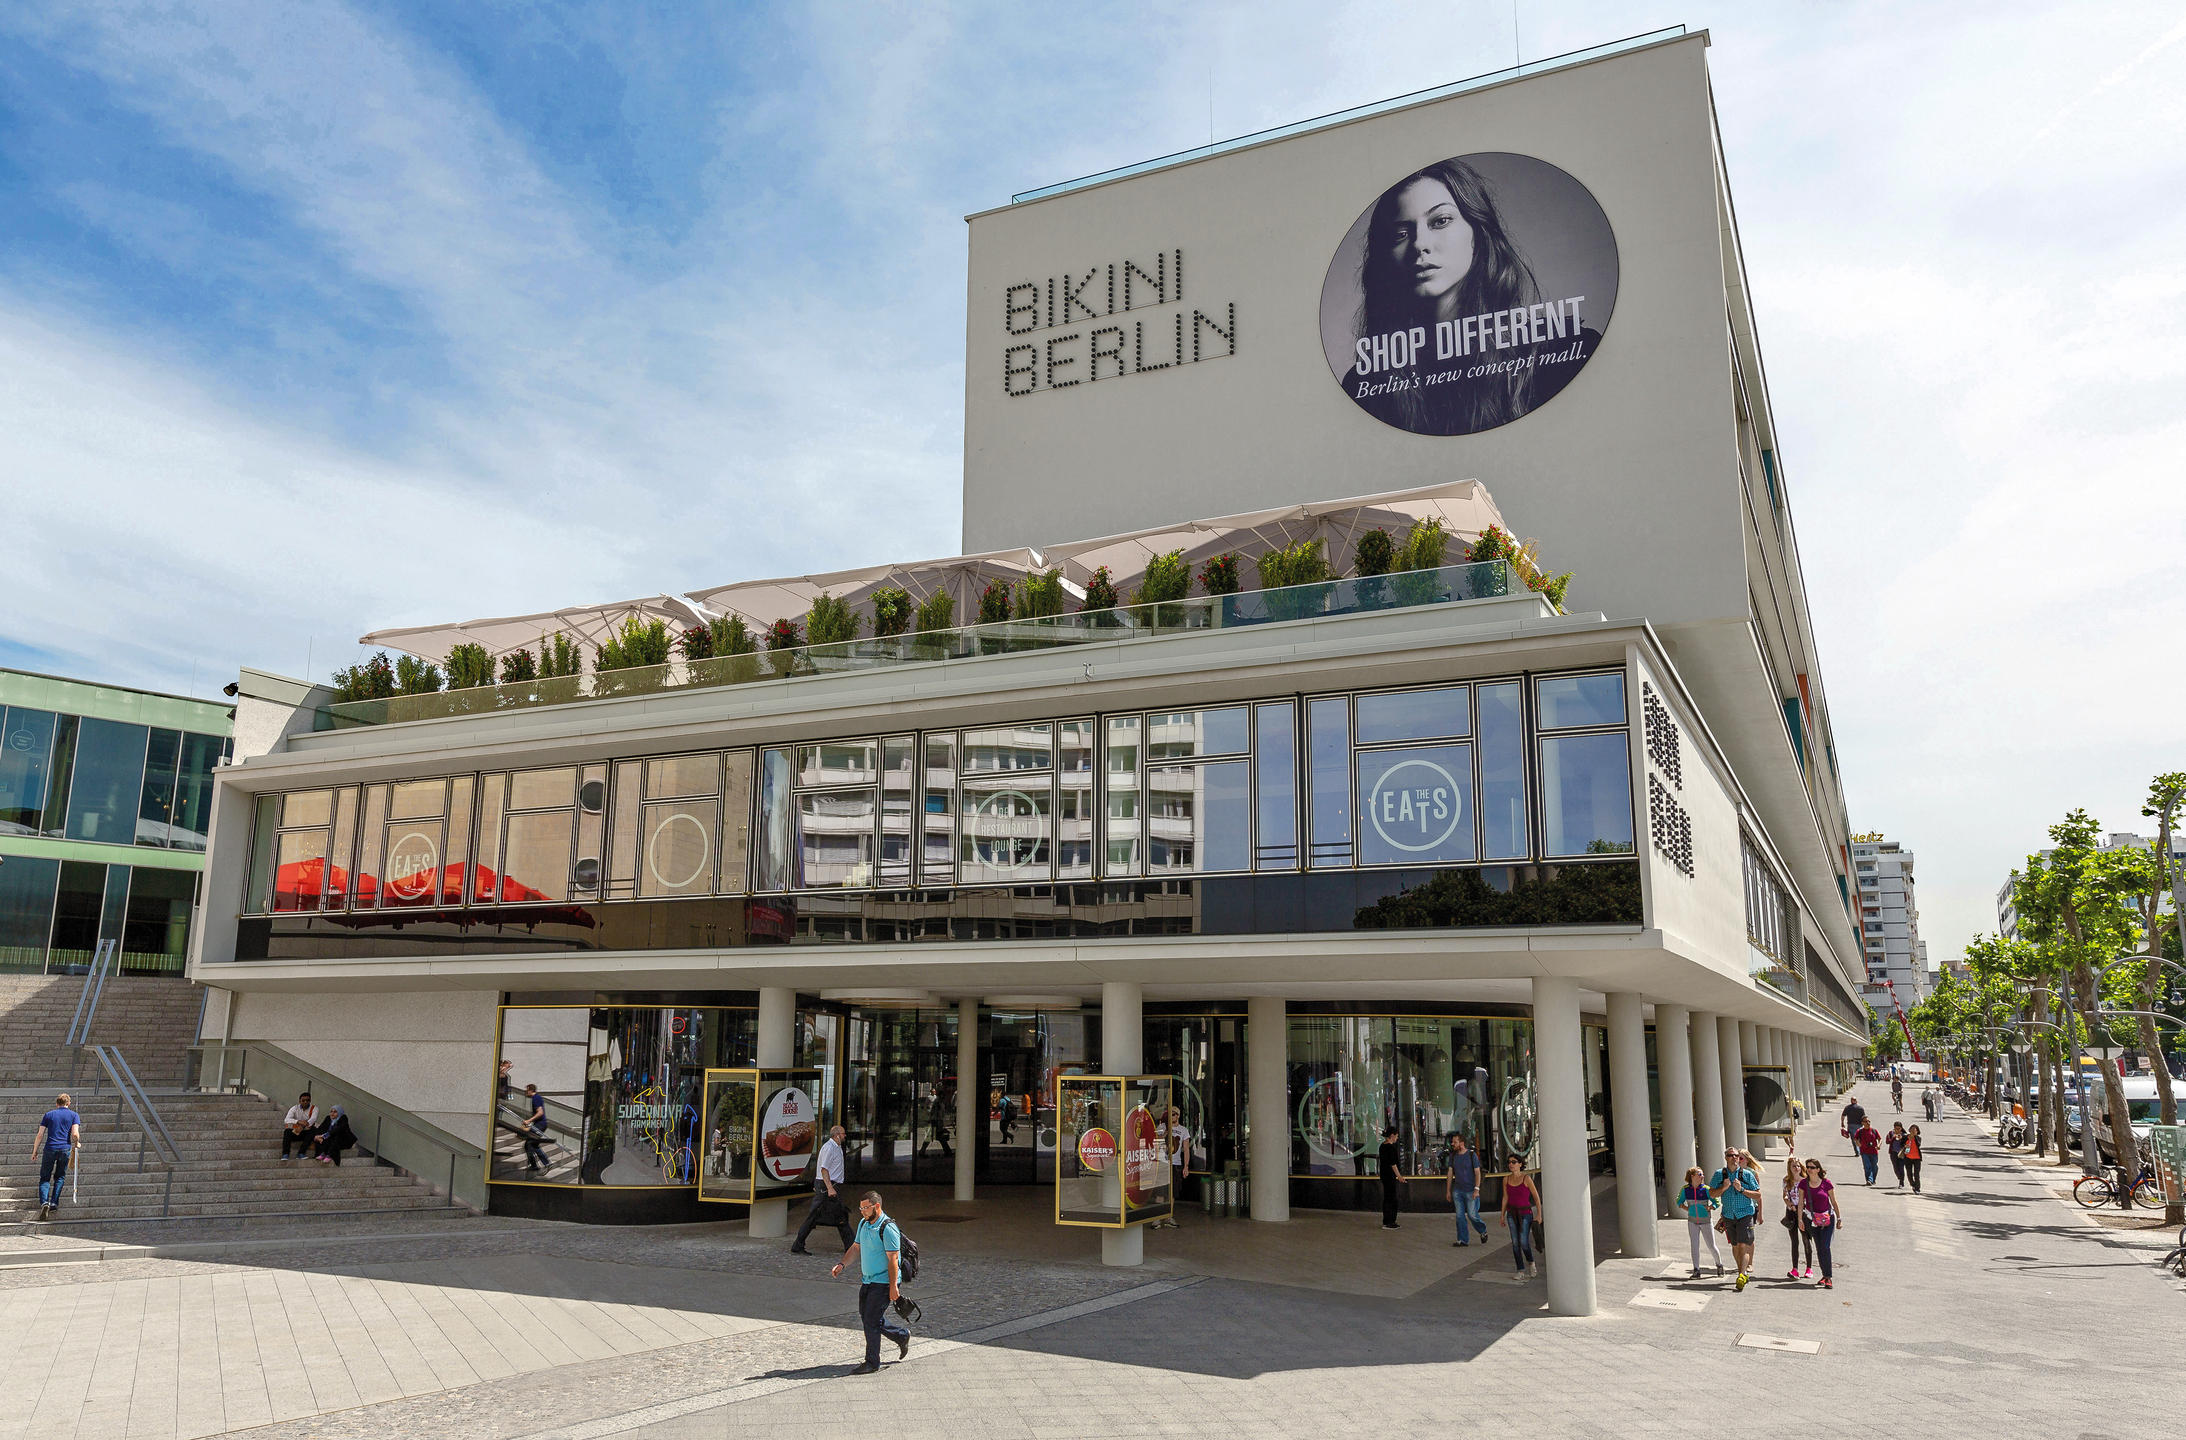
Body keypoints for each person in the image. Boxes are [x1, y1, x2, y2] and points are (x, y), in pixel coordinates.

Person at [1338, 157, 1602, 436]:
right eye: (1400, 234)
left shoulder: (1563, 350)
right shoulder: (1366, 385)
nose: (1420, 245)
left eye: (1440, 221)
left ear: (1478, 232)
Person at [831, 1191, 910, 1374]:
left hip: (883, 1282)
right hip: (868, 1281)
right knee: (868, 1317)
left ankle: (872, 1362)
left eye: (865, 1208)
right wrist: (842, 1264)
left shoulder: (887, 1228)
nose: (862, 1212)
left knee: (871, 1320)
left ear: (877, 1206)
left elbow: (893, 1259)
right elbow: (855, 1247)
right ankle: (901, 1335)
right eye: (861, 1208)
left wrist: (893, 1287)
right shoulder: (864, 1224)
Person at [792, 1124, 855, 1255]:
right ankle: (798, 1245)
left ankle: (851, 1246)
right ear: (837, 1135)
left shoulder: (836, 1147)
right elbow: (824, 1169)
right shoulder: (829, 1148)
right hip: (827, 1187)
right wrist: (829, 1187)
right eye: (843, 1134)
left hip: (828, 1186)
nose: (845, 1136)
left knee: (840, 1216)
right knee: (813, 1217)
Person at [1709, 1145, 1762, 1290]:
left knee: (1743, 1245)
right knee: (1734, 1245)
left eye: (1737, 1156)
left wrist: (1742, 1189)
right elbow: (1712, 1194)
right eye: (1731, 1155)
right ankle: (1742, 1272)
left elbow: (1758, 1195)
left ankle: (1741, 1274)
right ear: (1726, 1157)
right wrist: (1724, 1188)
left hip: (1745, 1213)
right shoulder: (1719, 1174)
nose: (1734, 1158)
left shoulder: (1747, 1174)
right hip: (1728, 1214)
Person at [30, 1091, 82, 1222]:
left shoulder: (49, 1115)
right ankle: (54, 1202)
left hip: (50, 1148)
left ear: (56, 1103)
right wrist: (76, 1142)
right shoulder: (74, 1115)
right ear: (68, 1103)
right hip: (65, 1149)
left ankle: (44, 1203)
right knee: (60, 1176)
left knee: (45, 1177)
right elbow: (75, 1134)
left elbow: (40, 1134)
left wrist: (35, 1151)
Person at [1797, 1158, 1842, 1288]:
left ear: (1818, 1169)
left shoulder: (1826, 1183)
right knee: (1819, 1248)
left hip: (1828, 1219)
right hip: (1812, 1220)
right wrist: (1800, 1219)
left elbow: (1833, 1202)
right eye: (1808, 1167)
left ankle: (1828, 1277)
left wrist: (1839, 1219)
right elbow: (1800, 1203)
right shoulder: (1803, 1184)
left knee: (1825, 1246)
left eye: (1812, 1167)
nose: (1809, 1169)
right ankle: (1824, 1275)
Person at [1678, 1165, 1723, 1278]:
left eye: (1702, 1174)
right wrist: (1687, 1209)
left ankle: (1719, 1265)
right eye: (1699, 1174)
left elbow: (1716, 1202)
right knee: (1694, 1246)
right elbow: (1679, 1201)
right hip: (1692, 1221)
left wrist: (1710, 1208)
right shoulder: (1685, 1189)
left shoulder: (1706, 1189)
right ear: (1692, 1176)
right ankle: (1696, 1270)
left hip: (1706, 1221)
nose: (1702, 1176)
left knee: (1711, 1245)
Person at [1499, 1155, 1539, 1277]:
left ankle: (1531, 1262)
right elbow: (1505, 1198)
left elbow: (1536, 1198)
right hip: (1512, 1213)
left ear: (1520, 1164)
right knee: (1515, 1243)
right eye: (1509, 1162)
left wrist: (1539, 1215)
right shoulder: (1506, 1179)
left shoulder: (1526, 1179)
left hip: (1526, 1213)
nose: (1511, 1164)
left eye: (1514, 1162)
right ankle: (1520, 1270)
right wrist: (1502, 1215)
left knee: (1523, 1242)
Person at [1445, 1134, 1487, 1247]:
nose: (1452, 1144)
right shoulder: (1453, 1156)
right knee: (1459, 1216)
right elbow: (1450, 1173)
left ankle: (1482, 1230)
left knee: (1472, 1215)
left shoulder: (1471, 1155)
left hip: (1471, 1190)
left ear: (1462, 1143)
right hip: (1457, 1191)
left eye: (1455, 1142)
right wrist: (1448, 1190)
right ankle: (1462, 1239)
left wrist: (1476, 1189)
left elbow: (1477, 1172)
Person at [1779, 1156, 1815, 1280]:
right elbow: (1784, 1195)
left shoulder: (1805, 1181)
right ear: (1789, 1167)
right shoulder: (1786, 1180)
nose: (1796, 1168)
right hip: (1791, 1212)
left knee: (1806, 1239)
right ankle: (1795, 1269)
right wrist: (1788, 1203)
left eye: (1798, 1166)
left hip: (1804, 1212)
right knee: (1794, 1241)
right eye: (1794, 1166)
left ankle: (1809, 1268)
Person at [1377, 1125, 1406, 1229]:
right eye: (1396, 1136)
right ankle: (1390, 1221)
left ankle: (1386, 1220)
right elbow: (1393, 1164)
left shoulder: (1382, 1146)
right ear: (1392, 1135)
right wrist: (1399, 1176)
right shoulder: (1390, 1148)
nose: (1397, 1138)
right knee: (1392, 1199)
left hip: (1384, 1175)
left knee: (1387, 1198)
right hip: (1390, 1176)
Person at [280, 1092, 319, 1160]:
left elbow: (313, 1119)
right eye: (303, 1100)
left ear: (310, 1101)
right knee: (287, 1131)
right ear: (299, 1101)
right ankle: (285, 1154)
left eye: (307, 1100)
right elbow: (286, 1120)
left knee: (313, 1130)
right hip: (296, 1132)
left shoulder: (314, 1108)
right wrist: (298, 1121)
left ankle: (301, 1153)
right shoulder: (295, 1108)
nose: (305, 1102)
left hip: (307, 1133)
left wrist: (303, 1126)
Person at [521, 1085, 550, 1173]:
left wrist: (529, 1121)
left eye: (527, 1090)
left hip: (540, 1124)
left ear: (530, 1090)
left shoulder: (535, 1098)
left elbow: (540, 1113)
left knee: (529, 1144)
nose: (526, 1092)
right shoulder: (537, 1098)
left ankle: (541, 1164)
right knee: (532, 1144)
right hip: (539, 1124)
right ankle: (541, 1164)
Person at [1852, 1117, 1882, 1186]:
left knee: (1874, 1167)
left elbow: (1880, 1139)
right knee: (1867, 1166)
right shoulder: (1860, 1131)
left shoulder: (1874, 1130)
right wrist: (1858, 1144)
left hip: (1874, 1152)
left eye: (1869, 1121)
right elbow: (1855, 1139)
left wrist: (1879, 1145)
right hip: (1864, 1152)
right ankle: (1869, 1180)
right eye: (1865, 1121)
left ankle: (1872, 1179)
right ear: (1862, 1123)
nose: (1868, 1123)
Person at [1903, 1124, 1925, 1193]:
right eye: (1911, 1129)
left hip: (1917, 1158)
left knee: (1916, 1174)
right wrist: (1905, 1144)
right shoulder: (1905, 1137)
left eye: (1914, 1130)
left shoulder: (1918, 1138)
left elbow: (1918, 1144)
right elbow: (1901, 1143)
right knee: (1909, 1174)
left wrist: (1913, 1137)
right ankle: (1913, 1184)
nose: (1912, 1131)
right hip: (1908, 1158)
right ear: (1909, 1130)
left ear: (1917, 1131)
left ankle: (1917, 1188)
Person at [1886, 1123, 1909, 1188]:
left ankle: (1901, 1182)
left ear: (1901, 1128)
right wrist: (1893, 1137)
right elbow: (1887, 1141)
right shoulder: (1891, 1133)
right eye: (1896, 1129)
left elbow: (1908, 1145)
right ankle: (1899, 1177)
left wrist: (1907, 1153)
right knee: (1895, 1167)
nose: (1897, 1130)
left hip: (1901, 1153)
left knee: (1901, 1167)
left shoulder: (1905, 1135)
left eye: (1898, 1129)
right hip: (1893, 1153)